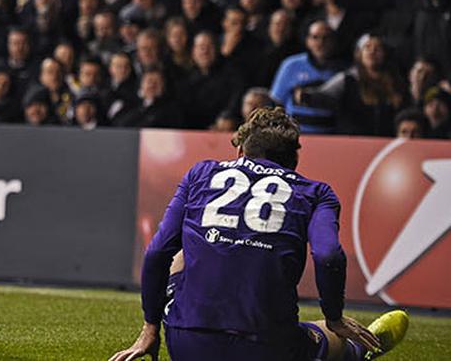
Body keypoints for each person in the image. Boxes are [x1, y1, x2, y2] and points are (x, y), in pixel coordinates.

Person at [110, 107, 410, 361]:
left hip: (187, 343)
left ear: (241, 150)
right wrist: (334, 317)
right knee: (329, 335)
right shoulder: (316, 192)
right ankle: (359, 348)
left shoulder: (200, 173)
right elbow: (328, 255)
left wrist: (150, 328)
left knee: (181, 252)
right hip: (265, 346)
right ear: (294, 160)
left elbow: (157, 252)